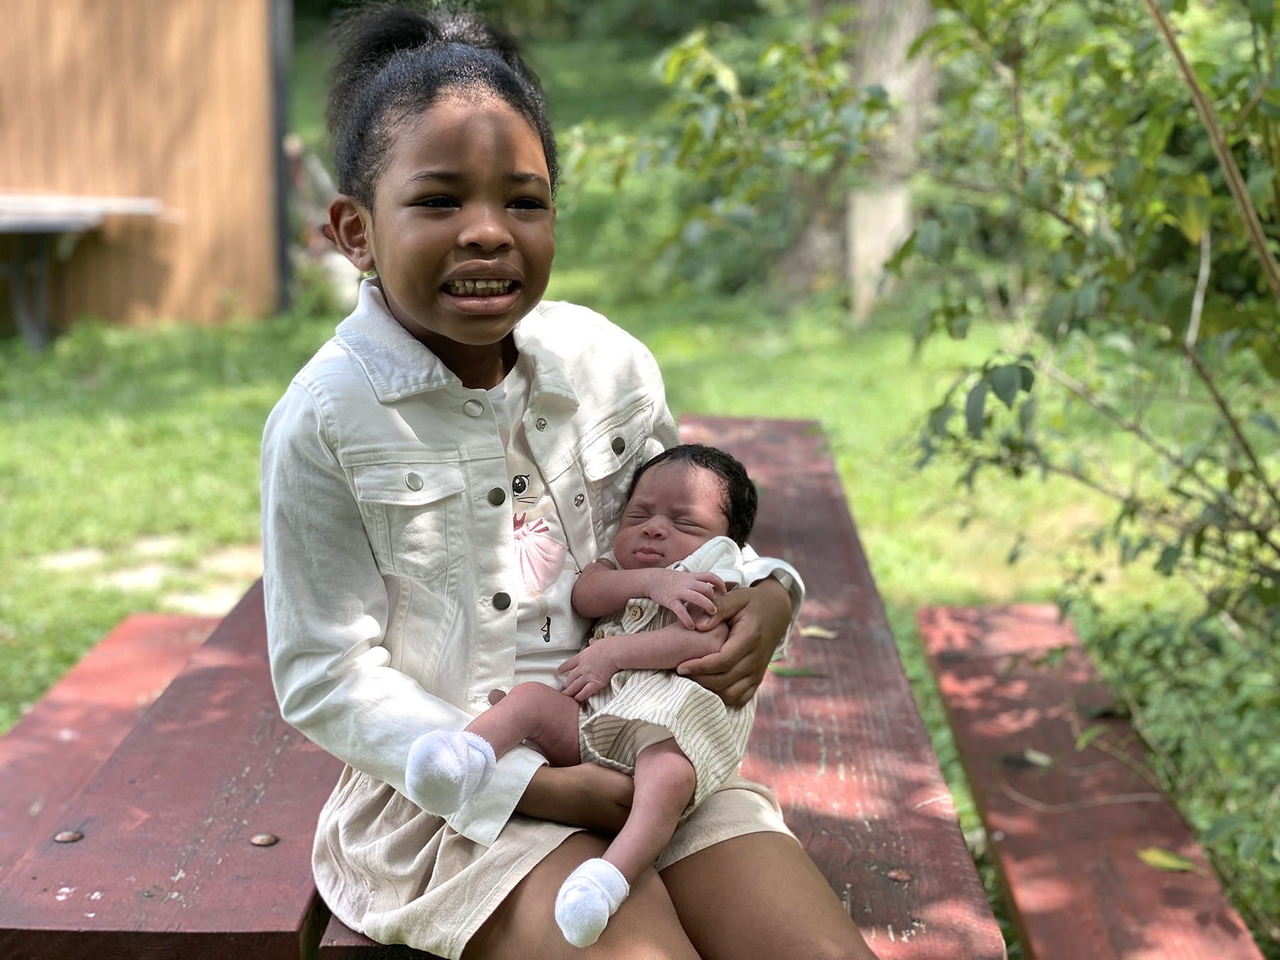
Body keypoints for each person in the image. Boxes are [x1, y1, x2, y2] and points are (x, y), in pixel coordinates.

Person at [260, 4, 879, 958]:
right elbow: (325, 676)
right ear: (355, 230)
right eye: (437, 202)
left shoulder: (608, 366)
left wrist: (771, 598)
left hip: (647, 756)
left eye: (524, 201)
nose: (487, 234)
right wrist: (540, 788)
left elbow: (682, 538)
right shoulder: (327, 420)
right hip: (460, 801)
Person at [406, 444, 764, 947]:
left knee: (669, 776)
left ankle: (609, 878)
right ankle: (461, 758)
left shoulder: (717, 571)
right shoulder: (613, 569)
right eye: (639, 514)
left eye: (684, 523)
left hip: (668, 731)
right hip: (596, 721)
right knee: (530, 700)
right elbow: (583, 596)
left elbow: (707, 640)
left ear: (726, 543)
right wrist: (649, 582)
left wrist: (616, 653)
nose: (655, 528)